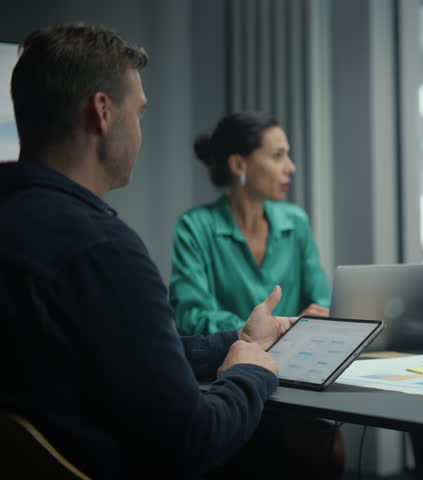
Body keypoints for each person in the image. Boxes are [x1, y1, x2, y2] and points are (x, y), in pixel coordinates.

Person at [0, 24, 297, 478]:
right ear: (102, 111)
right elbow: (194, 439)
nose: (140, 132)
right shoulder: (100, 250)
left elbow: (128, 351)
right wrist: (250, 372)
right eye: (139, 113)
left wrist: (239, 341)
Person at [170, 112, 331, 336]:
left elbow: (322, 302)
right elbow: (191, 316)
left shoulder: (296, 222)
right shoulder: (194, 227)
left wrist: (314, 319)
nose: (291, 167)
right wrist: (265, 330)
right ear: (238, 165)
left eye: (288, 155)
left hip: (296, 362)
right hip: (227, 365)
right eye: (277, 156)